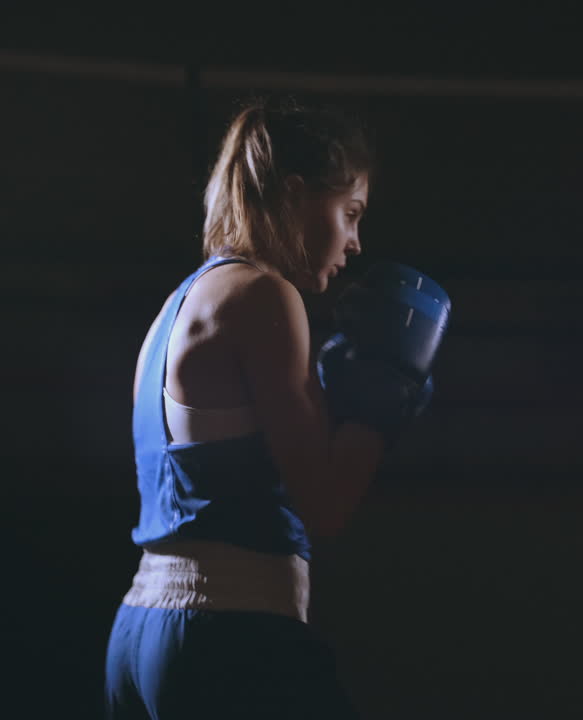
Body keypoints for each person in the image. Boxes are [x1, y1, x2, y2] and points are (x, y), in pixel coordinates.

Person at [104, 97, 441, 719]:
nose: (356, 241)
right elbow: (326, 505)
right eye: (349, 213)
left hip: (140, 633)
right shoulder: (266, 295)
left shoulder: (183, 301)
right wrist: (380, 403)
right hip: (230, 633)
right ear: (294, 194)